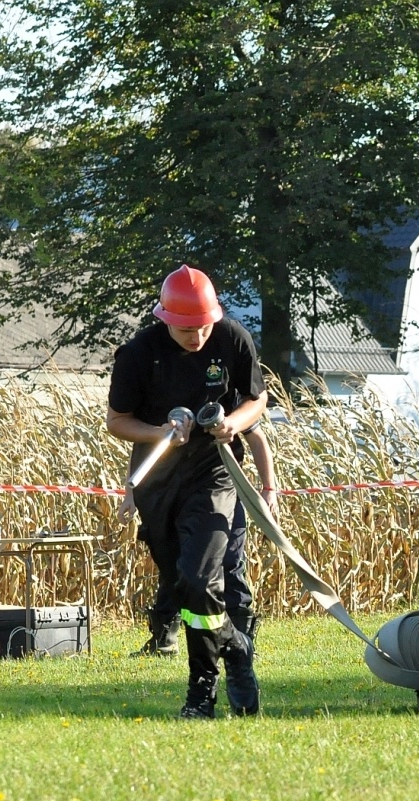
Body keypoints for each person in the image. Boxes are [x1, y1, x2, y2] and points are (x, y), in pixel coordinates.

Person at [107, 265, 268, 718]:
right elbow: (117, 421)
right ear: (164, 319)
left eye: (202, 327)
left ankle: (201, 691)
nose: (196, 336)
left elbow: (258, 400)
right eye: (185, 329)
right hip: (158, 480)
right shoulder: (139, 353)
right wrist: (160, 430)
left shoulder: (232, 338)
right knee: (185, 587)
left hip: (214, 473)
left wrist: (231, 425)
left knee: (202, 578)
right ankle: (235, 647)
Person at [125, 424, 278, 681]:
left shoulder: (228, 398)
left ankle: (243, 641)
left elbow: (256, 435)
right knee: (177, 567)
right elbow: (142, 449)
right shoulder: (165, 408)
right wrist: (130, 493)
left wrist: (269, 489)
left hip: (225, 493)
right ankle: (164, 638)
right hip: (178, 496)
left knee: (230, 564)